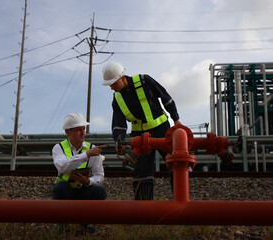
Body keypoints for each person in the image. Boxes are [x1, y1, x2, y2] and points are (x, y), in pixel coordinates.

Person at [102, 62, 182, 200]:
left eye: (113, 83)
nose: (111, 87)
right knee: (142, 172)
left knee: (176, 164)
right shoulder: (117, 98)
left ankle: (181, 204)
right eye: (109, 84)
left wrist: (176, 119)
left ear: (122, 77)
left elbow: (165, 97)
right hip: (139, 136)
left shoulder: (145, 81)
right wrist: (118, 140)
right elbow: (118, 122)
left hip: (162, 130)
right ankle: (144, 211)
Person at [52, 112, 107, 233]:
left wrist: (88, 181)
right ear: (68, 131)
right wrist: (86, 155)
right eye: (78, 130)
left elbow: (99, 175)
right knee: (60, 187)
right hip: (65, 190)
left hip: (84, 190)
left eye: (83, 129)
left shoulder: (92, 148)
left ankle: (85, 224)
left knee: (100, 192)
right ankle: (62, 223)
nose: (83, 133)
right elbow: (63, 167)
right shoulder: (58, 148)